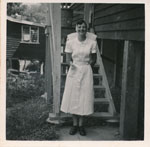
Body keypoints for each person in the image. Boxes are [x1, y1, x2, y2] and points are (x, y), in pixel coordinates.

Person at [60, 20, 97, 136]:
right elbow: (67, 59)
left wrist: (86, 66)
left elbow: (94, 59)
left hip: (86, 71)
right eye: (79, 27)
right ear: (76, 28)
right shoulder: (71, 42)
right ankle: (74, 124)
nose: (81, 29)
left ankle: (81, 125)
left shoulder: (92, 42)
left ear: (86, 29)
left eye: (83, 27)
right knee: (73, 97)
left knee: (83, 97)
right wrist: (72, 65)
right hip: (74, 70)